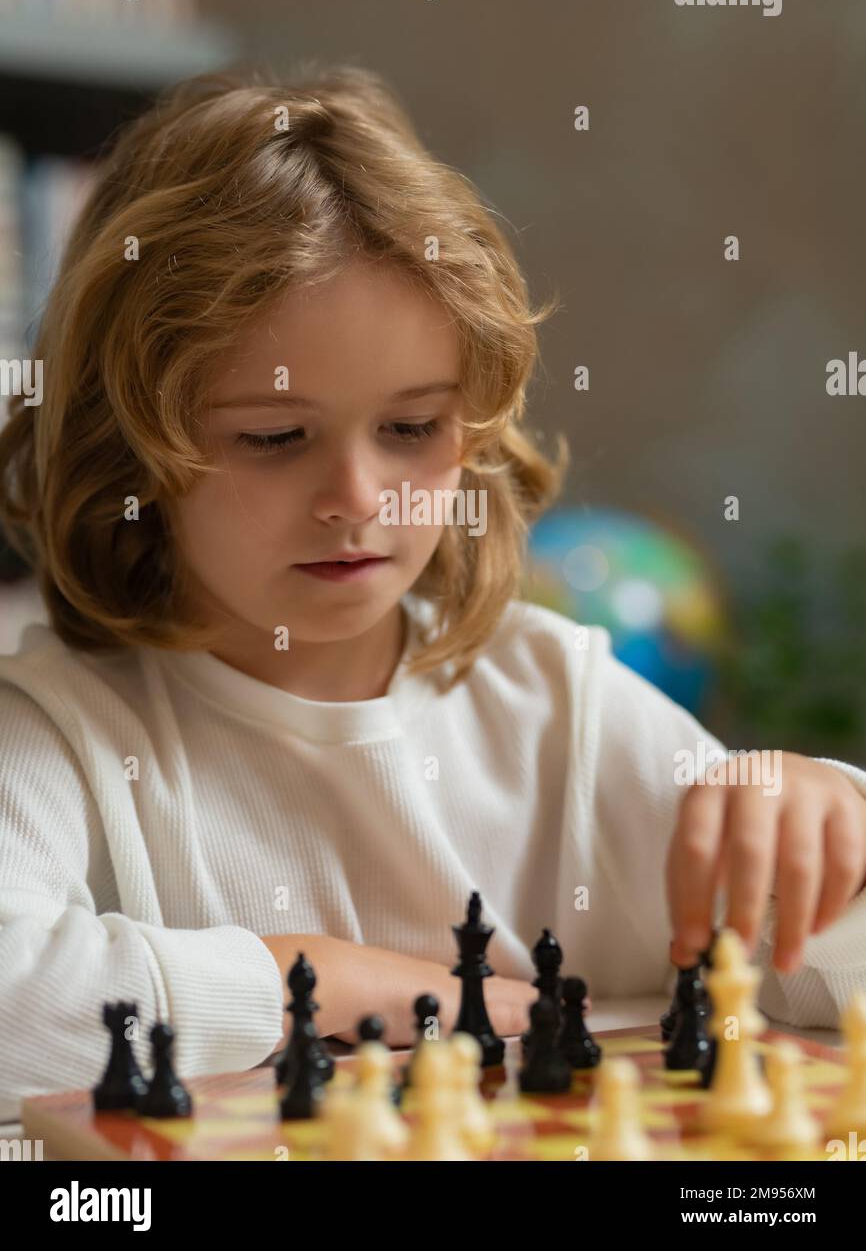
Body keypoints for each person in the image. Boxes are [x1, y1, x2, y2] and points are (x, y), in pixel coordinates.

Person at [0, 64, 864, 1121]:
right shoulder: (54, 735)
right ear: (131, 444)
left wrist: (835, 826)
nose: (355, 497)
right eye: (275, 437)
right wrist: (324, 979)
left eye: (411, 428)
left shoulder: (560, 706)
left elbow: (814, 972)